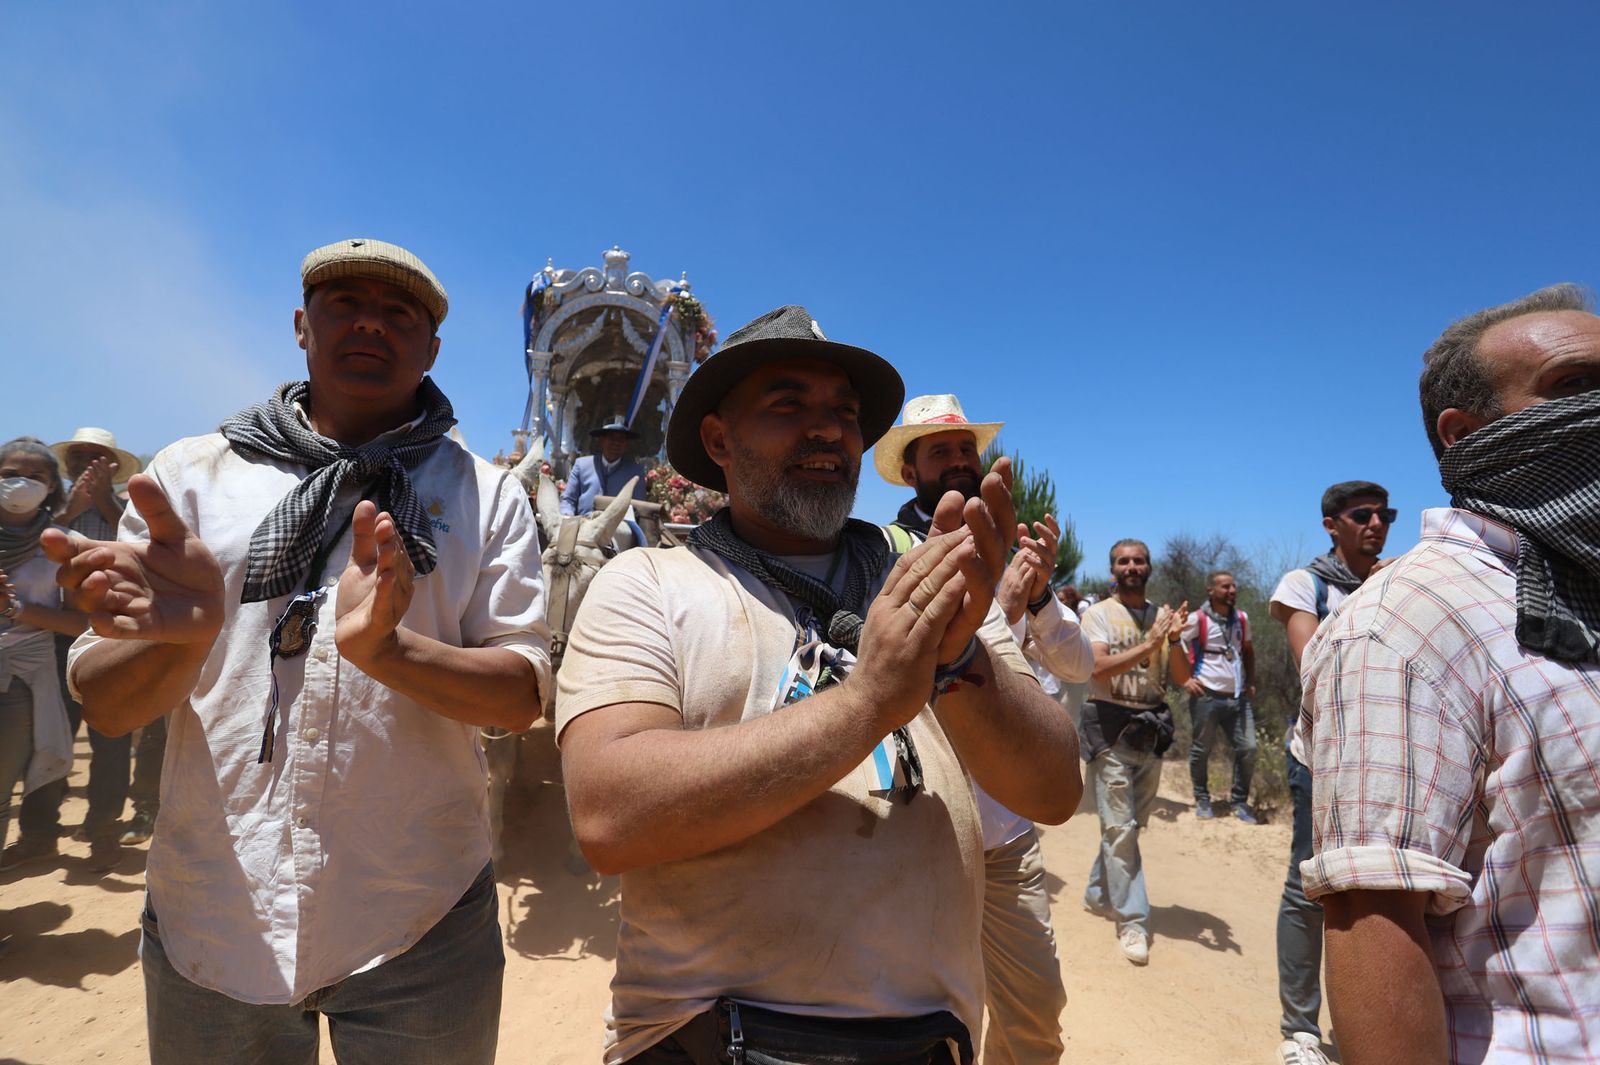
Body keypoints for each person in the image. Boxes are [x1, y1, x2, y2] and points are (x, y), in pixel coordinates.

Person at [46, 238, 550, 1063]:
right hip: (214, 916)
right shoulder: (190, 478)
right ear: (301, 327)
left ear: (431, 349)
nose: (370, 324)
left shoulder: (485, 494)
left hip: (422, 921)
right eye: (344, 304)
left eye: (399, 314)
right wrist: (185, 641)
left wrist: (390, 654)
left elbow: (522, 694)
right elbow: (105, 705)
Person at [556, 305, 1080, 1065]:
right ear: (718, 440)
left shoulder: (933, 578)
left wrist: (957, 661)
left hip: (928, 1044)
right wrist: (865, 704)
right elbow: (609, 815)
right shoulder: (649, 583)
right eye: (788, 402)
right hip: (704, 1041)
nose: (829, 428)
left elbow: (1055, 789)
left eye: (845, 411)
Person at [1299, 283, 1600, 1063]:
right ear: (1464, 436)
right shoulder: (1397, 622)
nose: (1375, 524)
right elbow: (1373, 920)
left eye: (1384, 513)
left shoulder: (1577, 599)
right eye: (1576, 386)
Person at [877, 392, 1092, 1065]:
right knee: (914, 1022)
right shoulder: (881, 554)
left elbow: (1077, 664)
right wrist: (998, 610)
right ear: (910, 471)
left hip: (1005, 830)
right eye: (940, 450)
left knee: (1035, 1019)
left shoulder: (1014, 548)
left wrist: (1039, 596)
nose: (959, 461)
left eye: (966, 449)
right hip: (923, 828)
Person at [1267, 479, 1392, 1065]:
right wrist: (1375, 597)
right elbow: (1313, 666)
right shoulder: (1305, 585)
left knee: (1377, 894)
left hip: (1385, 762)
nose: (1376, 524)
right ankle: (1300, 1031)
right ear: (1331, 525)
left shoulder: (1394, 579)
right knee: (1308, 890)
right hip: (1320, 763)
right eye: (1362, 514)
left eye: (1385, 515)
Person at [11, 429, 144, 869]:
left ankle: (103, 832)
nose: (86, 463)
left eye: (96, 457)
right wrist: (69, 511)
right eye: (79, 456)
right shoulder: (44, 508)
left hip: (114, 635)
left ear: (113, 466)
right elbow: (23, 549)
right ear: (66, 466)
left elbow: (142, 550)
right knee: (47, 737)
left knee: (111, 739)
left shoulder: (130, 509)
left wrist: (105, 503)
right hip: (52, 637)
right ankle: (38, 834)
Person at [1077, 539, 1190, 965]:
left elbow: (1181, 676)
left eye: (1138, 561)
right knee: (1120, 830)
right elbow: (1098, 669)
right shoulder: (1098, 614)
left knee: (1128, 827)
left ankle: (1097, 892)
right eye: (1123, 561)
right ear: (1113, 570)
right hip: (1109, 727)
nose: (1131, 566)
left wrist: (1172, 640)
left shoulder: (1163, 617)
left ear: (1149, 568)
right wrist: (1150, 643)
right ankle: (1133, 921)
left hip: (1151, 728)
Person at [0, 439, 83, 866]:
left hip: (18, 682)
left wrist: (13, 609)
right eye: (10, 475)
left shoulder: (65, 545)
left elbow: (82, 623)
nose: (22, 484)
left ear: (52, 487)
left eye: (35, 477)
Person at [1179, 570, 1257, 822]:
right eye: (1225, 587)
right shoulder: (1197, 619)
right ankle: (1202, 799)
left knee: (1248, 748)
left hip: (1238, 696)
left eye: (1233, 586)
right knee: (1202, 749)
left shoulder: (1242, 618)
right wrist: (1185, 679)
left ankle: (1239, 802)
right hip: (1206, 695)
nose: (1231, 591)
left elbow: (1248, 650)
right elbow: (1175, 645)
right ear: (1210, 591)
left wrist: (1251, 681)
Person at [559, 416, 650, 515]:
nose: (616, 443)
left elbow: (639, 508)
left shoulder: (636, 472)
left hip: (619, 524)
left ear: (626, 444)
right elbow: (568, 500)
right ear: (601, 441)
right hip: (583, 522)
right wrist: (567, 515)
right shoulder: (581, 465)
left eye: (621, 439)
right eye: (611, 437)